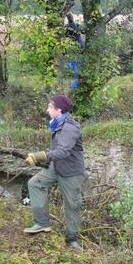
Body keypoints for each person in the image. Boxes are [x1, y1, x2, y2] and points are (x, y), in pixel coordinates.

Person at [23, 95, 85, 252]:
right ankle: (42, 223)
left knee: (72, 205)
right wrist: (42, 159)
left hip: (71, 172)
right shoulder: (57, 124)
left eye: (50, 107)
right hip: (56, 167)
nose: (47, 110)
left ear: (59, 110)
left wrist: (40, 156)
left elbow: (63, 151)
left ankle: (72, 240)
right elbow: (57, 152)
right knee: (35, 183)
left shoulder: (70, 127)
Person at [65, 13, 84, 90]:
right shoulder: (77, 26)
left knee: (71, 69)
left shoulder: (67, 27)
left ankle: (73, 87)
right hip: (77, 50)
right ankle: (74, 87)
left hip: (71, 50)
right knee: (76, 69)